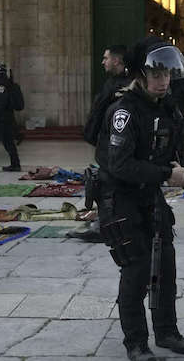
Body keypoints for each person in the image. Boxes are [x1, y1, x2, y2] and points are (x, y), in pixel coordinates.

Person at [95, 37, 184, 360]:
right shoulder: (124, 111)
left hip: (150, 196)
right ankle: (136, 342)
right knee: (136, 270)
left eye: (167, 75)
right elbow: (120, 165)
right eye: (156, 75)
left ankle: (166, 331)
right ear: (140, 74)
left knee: (165, 263)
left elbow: (176, 151)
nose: (163, 81)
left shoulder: (169, 108)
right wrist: (167, 174)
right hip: (119, 197)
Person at [71, 45, 132, 243]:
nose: (103, 62)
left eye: (106, 58)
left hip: (113, 144)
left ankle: (103, 227)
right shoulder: (114, 82)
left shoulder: (125, 85)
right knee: (107, 183)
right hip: (107, 143)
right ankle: (107, 222)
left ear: (116, 60)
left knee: (107, 185)